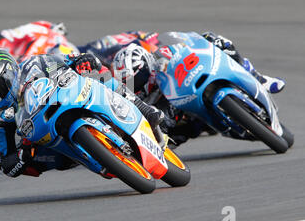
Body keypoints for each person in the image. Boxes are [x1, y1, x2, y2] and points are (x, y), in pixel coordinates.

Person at [0, 48, 165, 178]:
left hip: (66, 97)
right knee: (39, 161)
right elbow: (5, 164)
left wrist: (80, 61)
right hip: (43, 137)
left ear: (8, 73)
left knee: (95, 68)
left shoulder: (34, 64)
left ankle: (144, 109)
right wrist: (21, 158)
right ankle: (91, 156)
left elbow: (64, 61)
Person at [79, 30, 286, 146]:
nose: (142, 82)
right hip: (187, 123)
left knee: (216, 40)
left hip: (192, 84)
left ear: (148, 64)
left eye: (142, 75)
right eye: (137, 81)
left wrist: (188, 45)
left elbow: (176, 42)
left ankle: (259, 78)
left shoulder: (161, 61)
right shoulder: (142, 99)